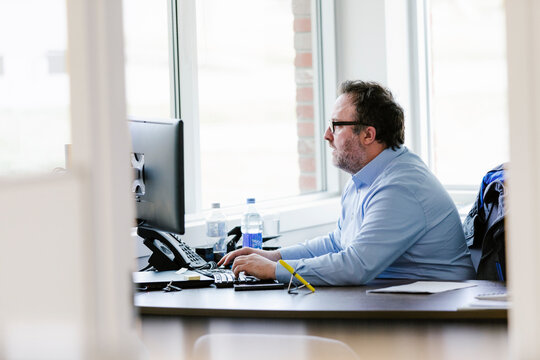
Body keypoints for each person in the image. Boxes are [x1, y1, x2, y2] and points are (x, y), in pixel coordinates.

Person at [218, 80, 475, 285]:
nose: (326, 135)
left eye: (336, 125)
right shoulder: (365, 178)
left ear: (368, 134)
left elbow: (356, 265)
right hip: (401, 301)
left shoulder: (400, 187)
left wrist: (276, 270)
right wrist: (275, 256)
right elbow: (338, 242)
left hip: (439, 315)